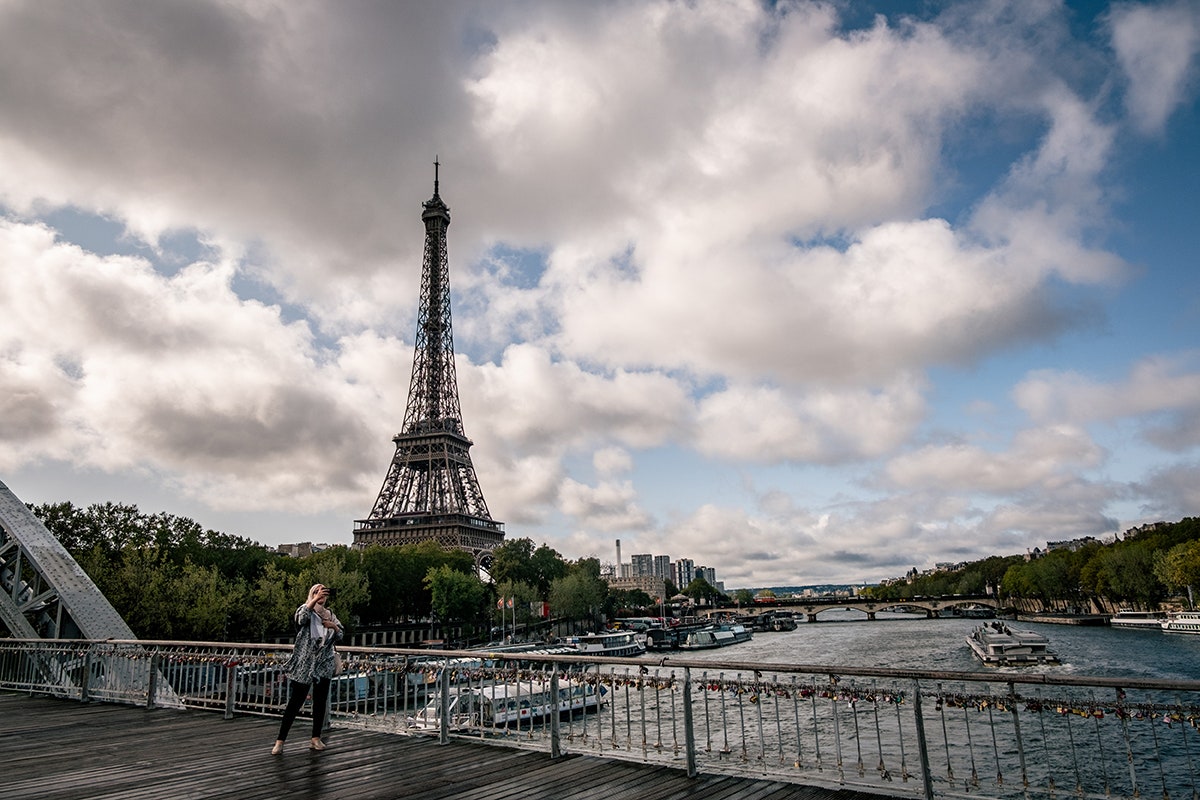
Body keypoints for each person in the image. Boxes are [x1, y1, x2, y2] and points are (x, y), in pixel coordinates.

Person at [272, 583, 343, 754]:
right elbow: (300, 619)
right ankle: (280, 741)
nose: (322, 595)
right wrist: (313, 601)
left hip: (324, 662)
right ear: (312, 594)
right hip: (306, 662)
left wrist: (332, 626)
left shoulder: (330, 614)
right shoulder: (306, 610)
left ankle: (315, 738)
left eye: (324, 592)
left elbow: (340, 634)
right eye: (318, 592)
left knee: (320, 702)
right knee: (295, 702)